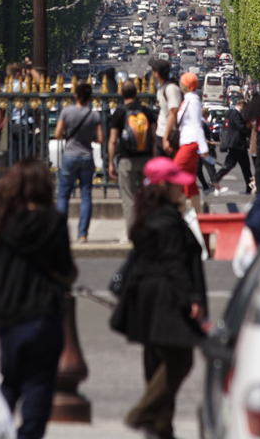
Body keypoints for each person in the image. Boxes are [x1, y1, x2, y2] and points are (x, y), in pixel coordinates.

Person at [110, 157, 207, 439]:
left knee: (157, 366)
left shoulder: (150, 215)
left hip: (147, 300)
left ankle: (161, 428)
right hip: (167, 300)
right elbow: (174, 263)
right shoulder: (167, 220)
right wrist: (191, 298)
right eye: (176, 184)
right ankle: (141, 414)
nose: (181, 189)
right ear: (163, 185)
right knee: (180, 361)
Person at [0, 159, 77, 439]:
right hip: (43, 311)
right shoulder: (54, 221)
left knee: (10, 378)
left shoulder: (2, 220)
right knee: (39, 382)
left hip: (8, 309)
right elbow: (65, 269)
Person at [55, 81, 104, 242]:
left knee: (63, 195)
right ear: (90, 98)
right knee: (86, 195)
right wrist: (90, 137)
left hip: (69, 155)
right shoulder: (94, 115)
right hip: (86, 156)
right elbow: (100, 139)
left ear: (76, 96)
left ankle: (61, 234)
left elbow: (57, 133)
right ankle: (82, 234)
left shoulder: (66, 112)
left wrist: (67, 137)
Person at [108, 81, 157, 236]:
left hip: (127, 160)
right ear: (136, 94)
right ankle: (148, 229)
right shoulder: (147, 112)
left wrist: (111, 163)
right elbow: (155, 138)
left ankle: (132, 233)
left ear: (122, 94)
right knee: (147, 198)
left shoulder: (119, 113)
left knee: (129, 199)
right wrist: (154, 158)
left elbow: (113, 140)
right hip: (147, 159)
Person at [174, 72, 209, 211]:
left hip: (191, 143)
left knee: (175, 173)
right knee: (189, 180)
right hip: (188, 142)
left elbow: (197, 124)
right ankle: (198, 215)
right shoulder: (188, 99)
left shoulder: (193, 101)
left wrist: (204, 148)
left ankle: (180, 211)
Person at [210, 100, 252, 194]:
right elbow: (241, 127)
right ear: (242, 105)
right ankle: (215, 179)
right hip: (236, 145)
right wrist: (249, 132)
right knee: (229, 165)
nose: (245, 110)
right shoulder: (235, 114)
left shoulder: (234, 113)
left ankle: (249, 186)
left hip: (240, 145)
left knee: (246, 167)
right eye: (245, 108)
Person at [149, 58, 182, 157]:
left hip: (168, 136)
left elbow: (173, 114)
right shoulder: (161, 87)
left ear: (157, 73)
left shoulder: (171, 89)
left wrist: (166, 138)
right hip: (161, 133)